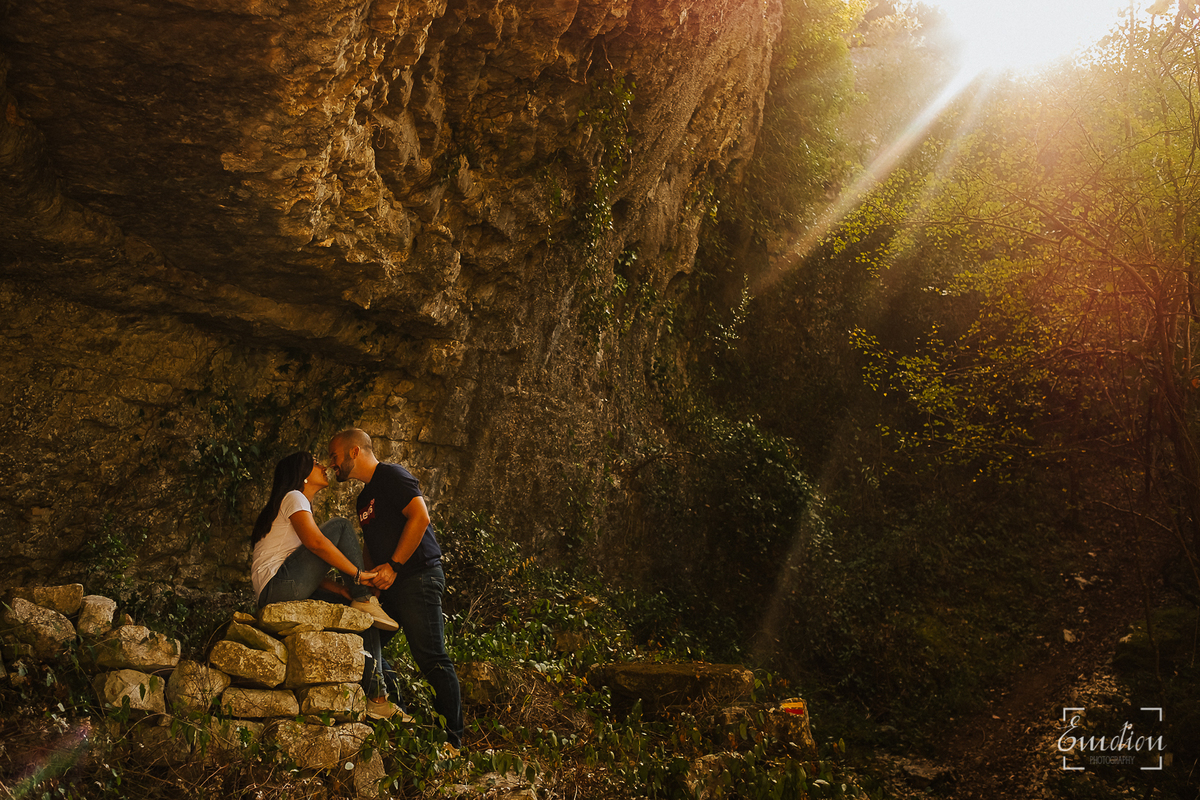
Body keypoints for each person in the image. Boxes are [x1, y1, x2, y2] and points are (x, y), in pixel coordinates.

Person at [327, 429, 463, 749]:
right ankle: (402, 716)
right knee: (365, 647)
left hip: (418, 577)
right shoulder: (363, 498)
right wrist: (373, 582)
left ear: (354, 452)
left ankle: (452, 743)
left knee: (431, 658)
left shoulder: (392, 476)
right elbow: (373, 547)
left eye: (335, 455)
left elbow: (420, 516)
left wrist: (396, 566)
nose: (332, 462)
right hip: (388, 589)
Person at [250, 450, 402, 720]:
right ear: (303, 476)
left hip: (280, 589)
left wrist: (341, 589)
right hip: (278, 588)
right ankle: (365, 598)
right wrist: (358, 576)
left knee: (358, 616)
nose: (323, 466)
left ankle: (380, 696)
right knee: (341, 527)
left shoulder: (292, 505)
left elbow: (307, 571)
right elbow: (317, 545)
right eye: (316, 463)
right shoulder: (294, 497)